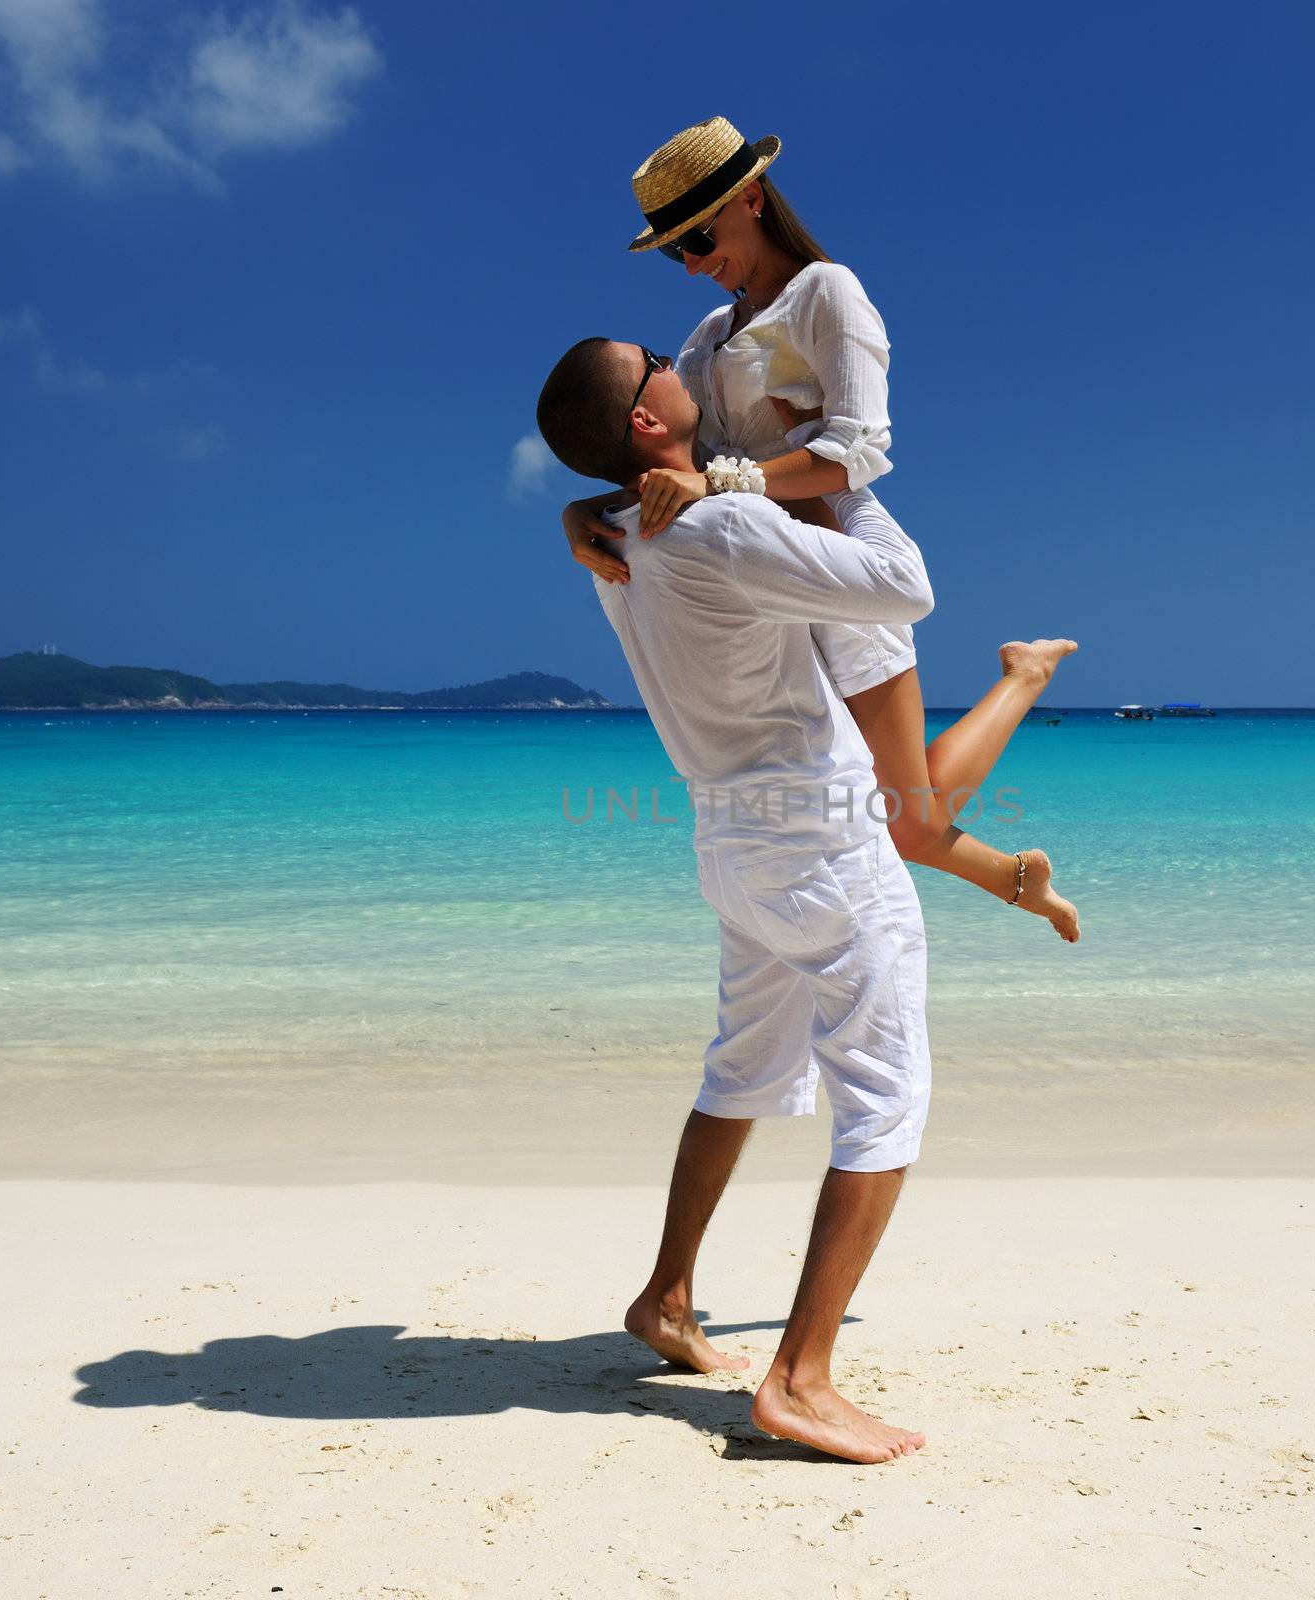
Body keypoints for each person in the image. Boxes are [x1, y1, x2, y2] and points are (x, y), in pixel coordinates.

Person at [537, 333, 942, 1463]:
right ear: (646, 424)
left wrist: (588, 507)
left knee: (744, 1066)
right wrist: (840, 471)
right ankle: (802, 1379)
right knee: (887, 1092)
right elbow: (905, 593)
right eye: (657, 362)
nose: (678, 362)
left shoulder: (614, 528)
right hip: (816, 838)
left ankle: (667, 1296)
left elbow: (600, 508)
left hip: (731, 840)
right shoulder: (710, 524)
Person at [563, 117, 1080, 942]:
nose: (693, 264)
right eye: (675, 252)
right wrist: (583, 509)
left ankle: (1025, 678)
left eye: (698, 237)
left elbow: (857, 451)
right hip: (771, 582)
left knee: (904, 823)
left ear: (752, 199)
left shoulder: (827, 293)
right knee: (874, 812)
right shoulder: (703, 342)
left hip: (840, 546)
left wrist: (721, 483)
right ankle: (1020, 876)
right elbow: (668, 454)